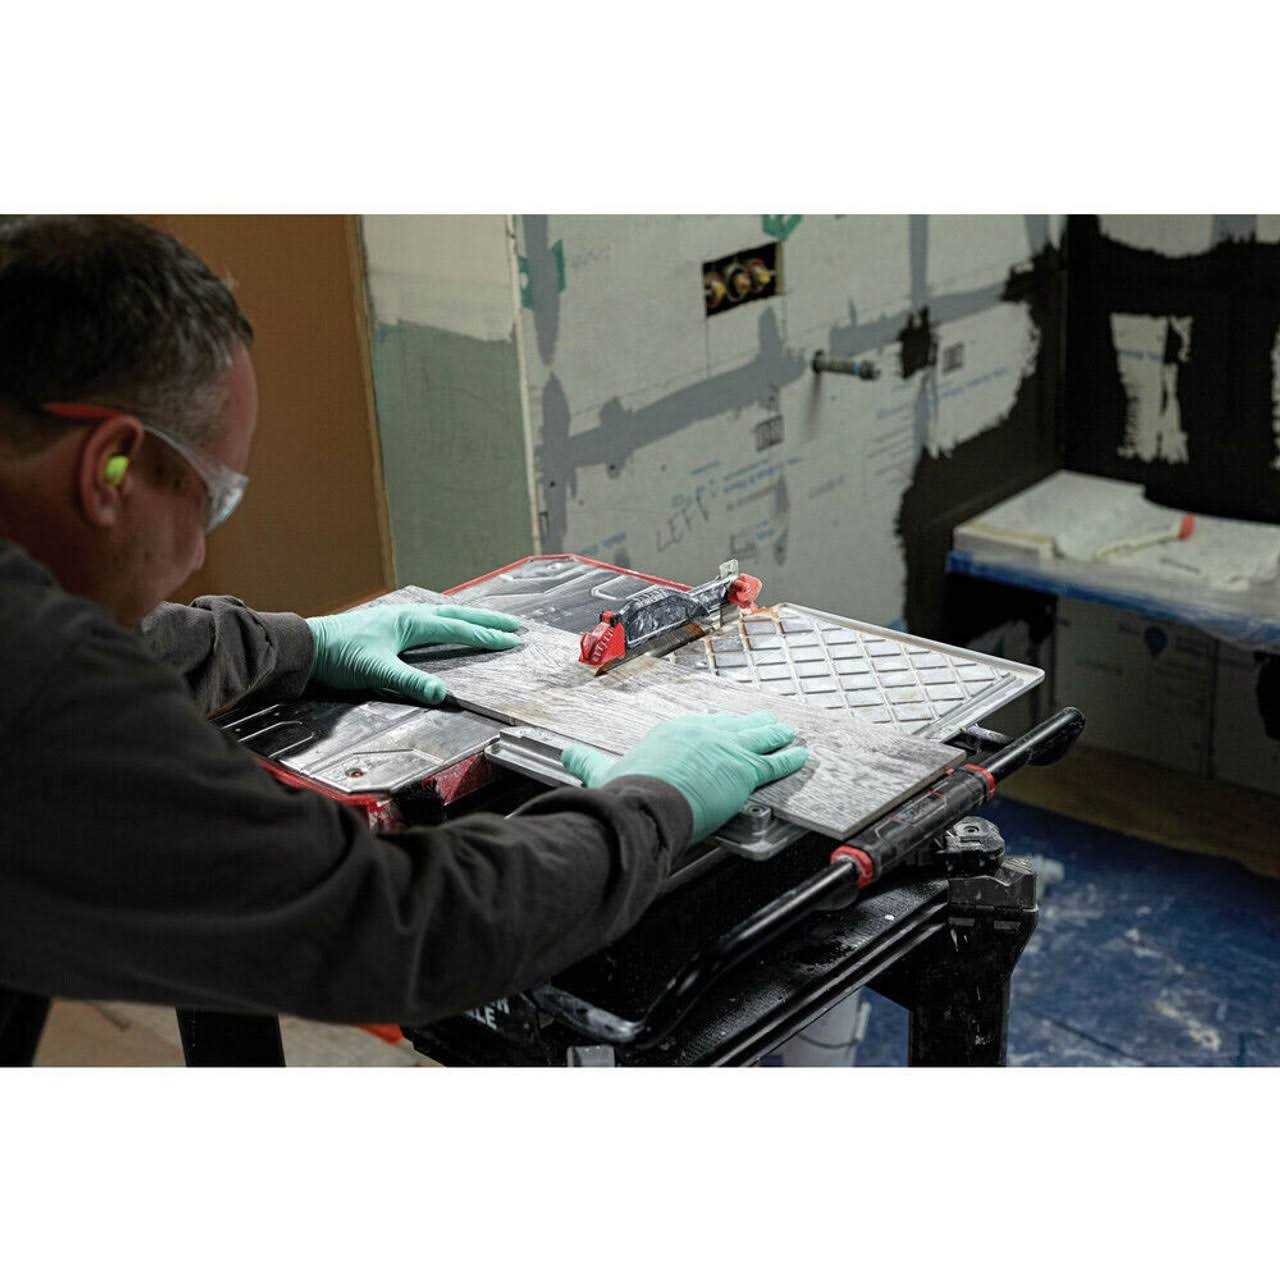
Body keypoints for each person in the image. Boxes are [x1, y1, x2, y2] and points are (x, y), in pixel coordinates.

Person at [0, 216, 808, 1065]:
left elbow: (91, 639)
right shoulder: (43, 702)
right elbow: (399, 928)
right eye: (212, 500)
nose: (199, 551)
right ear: (110, 469)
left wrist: (298, 643)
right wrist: (654, 803)